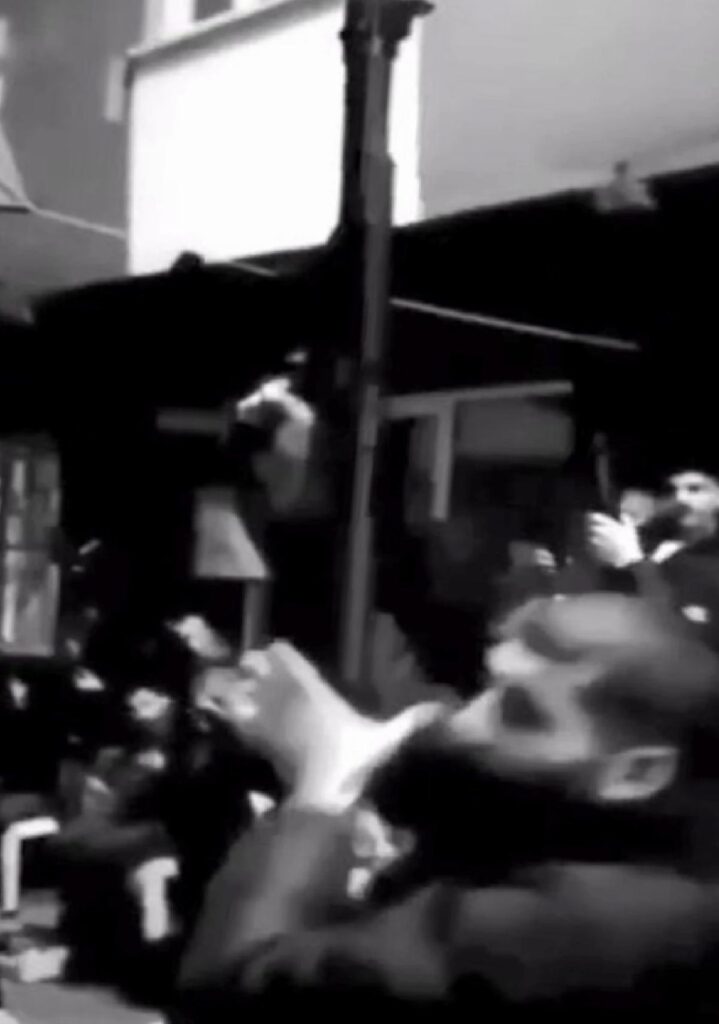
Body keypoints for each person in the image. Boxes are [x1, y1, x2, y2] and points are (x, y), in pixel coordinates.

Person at [174, 595, 719, 1020]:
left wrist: (324, 786)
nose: (466, 721)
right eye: (487, 687)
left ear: (638, 773)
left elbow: (232, 996)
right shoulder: (644, 871)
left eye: (522, 713)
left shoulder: (582, 928)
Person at [588, 466, 719, 651]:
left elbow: (679, 631)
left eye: (695, 489)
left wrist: (633, 562)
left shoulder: (711, 560)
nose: (680, 499)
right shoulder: (644, 544)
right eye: (671, 491)